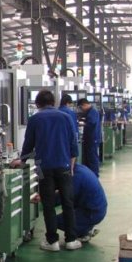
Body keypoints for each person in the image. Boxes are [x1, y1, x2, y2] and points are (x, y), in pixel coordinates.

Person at [10, 90, 80, 251]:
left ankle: (52, 241)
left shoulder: (35, 119)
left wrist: (21, 160)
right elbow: (73, 145)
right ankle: (71, 240)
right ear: (54, 102)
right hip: (64, 166)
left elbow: (28, 144)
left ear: (37, 104)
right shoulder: (66, 117)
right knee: (68, 203)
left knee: (48, 204)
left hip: (43, 168)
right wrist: (71, 167)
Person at [78, 98, 102, 177]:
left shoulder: (93, 112)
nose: (81, 110)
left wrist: (81, 124)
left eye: (81, 107)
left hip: (92, 139)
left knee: (92, 158)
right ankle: (90, 174)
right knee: (89, 157)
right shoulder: (90, 112)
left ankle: (95, 175)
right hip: (90, 139)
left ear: (84, 105)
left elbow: (91, 123)